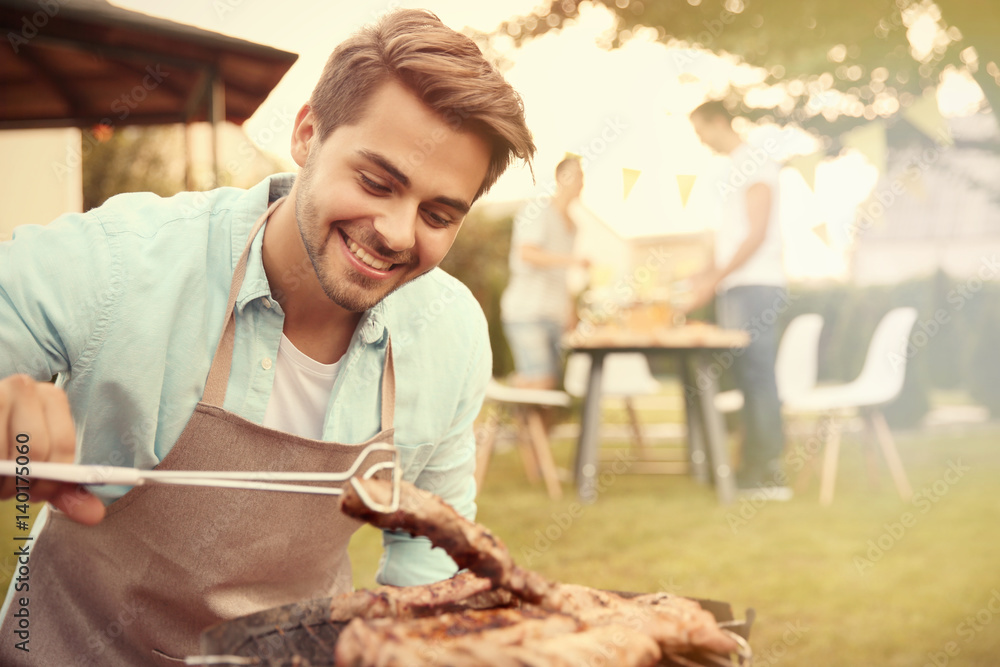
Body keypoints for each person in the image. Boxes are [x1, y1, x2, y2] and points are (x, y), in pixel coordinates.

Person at [0, 9, 535, 663]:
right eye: (376, 181)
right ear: (308, 133)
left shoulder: (448, 333)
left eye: (437, 213)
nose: (396, 231)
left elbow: (431, 551)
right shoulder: (123, 260)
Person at [685, 100, 790, 497]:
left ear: (718, 121)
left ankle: (768, 473)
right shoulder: (730, 170)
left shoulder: (758, 162)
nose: (701, 140)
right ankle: (748, 468)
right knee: (746, 378)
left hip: (756, 287)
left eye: (701, 131)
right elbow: (728, 240)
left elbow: (757, 233)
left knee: (759, 379)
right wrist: (702, 275)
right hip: (737, 287)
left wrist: (715, 280)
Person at [500, 157, 588, 390]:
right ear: (562, 178)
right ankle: (499, 392)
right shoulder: (537, 210)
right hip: (527, 311)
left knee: (549, 386)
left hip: (555, 315)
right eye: (577, 175)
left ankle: (513, 399)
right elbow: (527, 254)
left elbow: (562, 274)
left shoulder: (574, 226)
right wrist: (573, 260)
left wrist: (571, 311)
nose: (582, 182)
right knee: (540, 382)